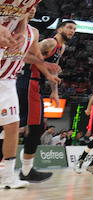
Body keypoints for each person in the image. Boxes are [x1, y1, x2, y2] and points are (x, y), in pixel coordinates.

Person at [0, 20, 59, 189]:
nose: (31, 8)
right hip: (21, 82)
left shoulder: (33, 32)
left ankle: (10, 176)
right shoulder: (6, 24)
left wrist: (48, 74)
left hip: (9, 81)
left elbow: (32, 57)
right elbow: (30, 58)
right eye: (69, 27)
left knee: (13, 127)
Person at [16, 19, 76, 182]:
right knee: (33, 128)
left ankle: (25, 168)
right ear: (59, 29)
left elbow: (53, 71)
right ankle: (25, 170)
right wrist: (48, 69)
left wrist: (54, 92)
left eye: (74, 29)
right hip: (28, 81)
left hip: (37, 85)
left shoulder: (61, 48)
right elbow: (26, 57)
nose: (72, 31)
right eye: (69, 27)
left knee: (32, 127)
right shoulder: (49, 43)